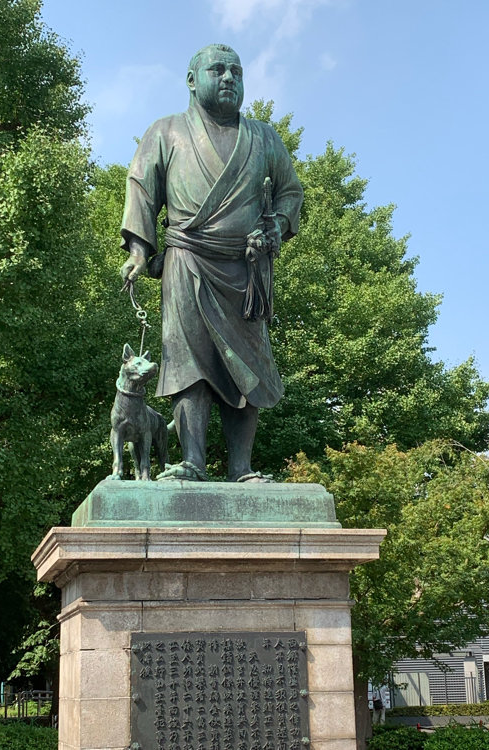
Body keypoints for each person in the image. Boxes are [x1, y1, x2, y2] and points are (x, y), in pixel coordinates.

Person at [120, 44, 303, 482]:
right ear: (191, 79)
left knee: (250, 366)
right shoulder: (165, 132)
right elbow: (143, 188)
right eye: (217, 69)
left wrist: (276, 225)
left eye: (236, 71)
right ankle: (192, 461)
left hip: (246, 266)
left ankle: (242, 467)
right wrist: (139, 251)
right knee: (188, 360)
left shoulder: (263, 137)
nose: (229, 78)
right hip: (186, 260)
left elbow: (290, 192)